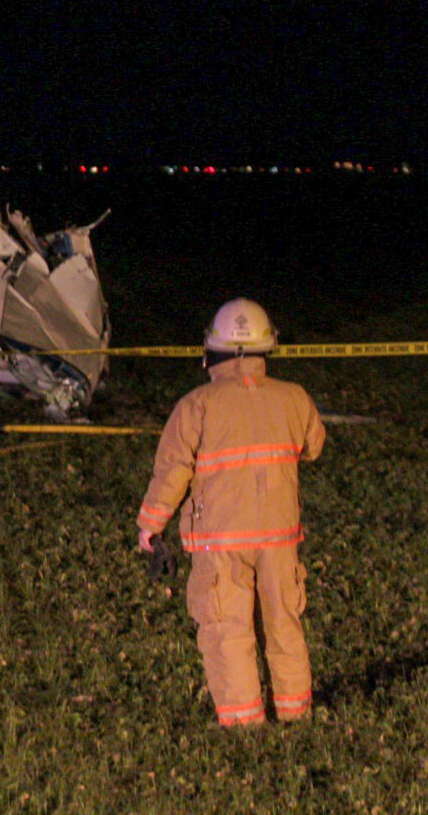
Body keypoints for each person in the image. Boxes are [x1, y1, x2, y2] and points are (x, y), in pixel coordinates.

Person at [135, 298, 326, 727]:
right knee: (284, 625)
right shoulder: (295, 398)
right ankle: (296, 716)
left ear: (213, 350)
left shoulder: (195, 406)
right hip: (279, 537)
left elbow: (172, 473)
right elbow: (313, 447)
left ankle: (244, 725)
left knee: (226, 629)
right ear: (266, 348)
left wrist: (150, 525)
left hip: (220, 542)